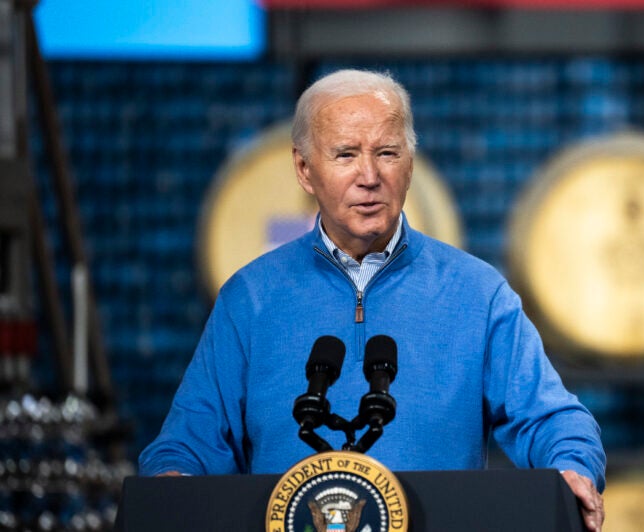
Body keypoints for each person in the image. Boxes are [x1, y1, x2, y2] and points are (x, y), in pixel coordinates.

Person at [139, 69, 606, 530]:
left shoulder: (478, 293)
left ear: (410, 163)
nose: (369, 176)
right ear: (304, 169)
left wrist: (573, 464)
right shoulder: (250, 297)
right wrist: (171, 483)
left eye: (387, 152)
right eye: (345, 155)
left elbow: (552, 418)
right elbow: (187, 442)